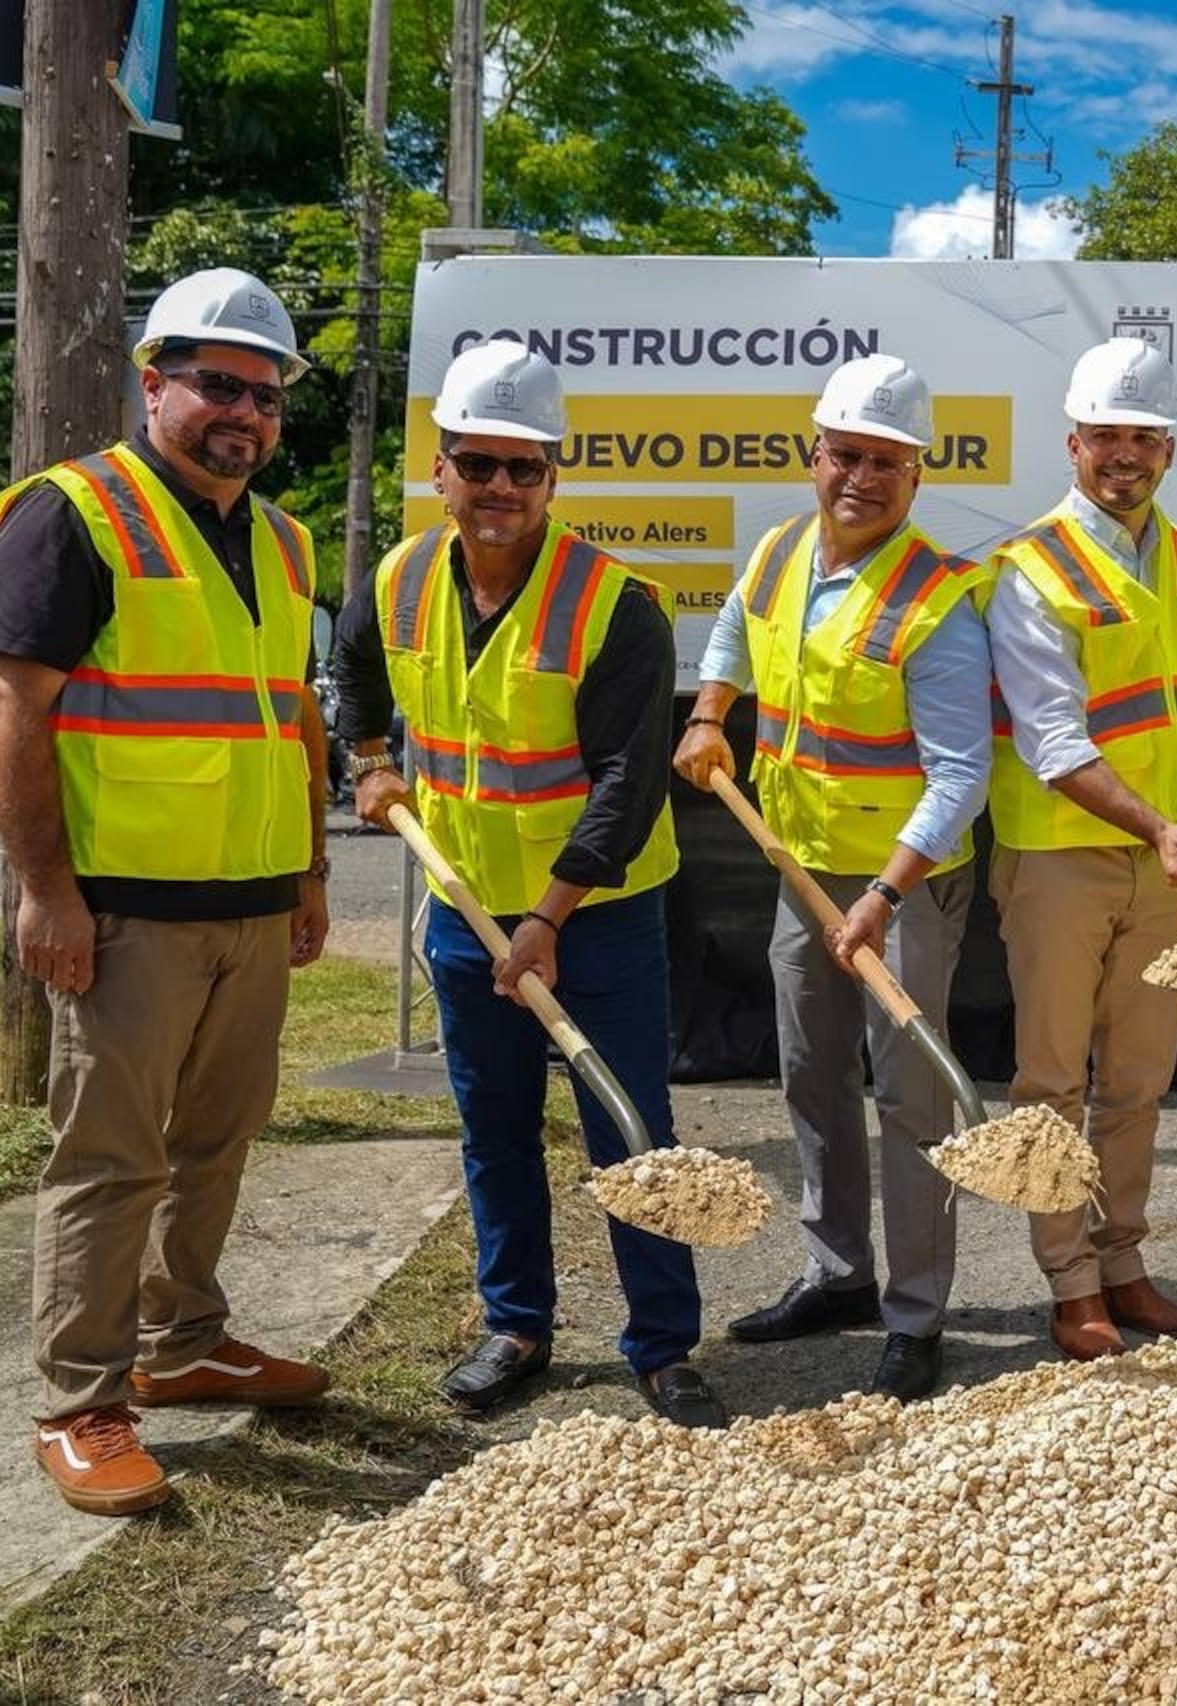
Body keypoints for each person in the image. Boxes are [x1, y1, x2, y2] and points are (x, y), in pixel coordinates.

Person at [0, 267, 333, 1515]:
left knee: (216, 1145)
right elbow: (14, 700)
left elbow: (289, 714)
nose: (243, 411)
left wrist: (309, 868)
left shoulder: (281, 539)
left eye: (265, 392)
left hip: (246, 902)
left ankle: (184, 1344)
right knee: (112, 1158)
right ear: (153, 380)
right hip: (123, 909)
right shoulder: (74, 513)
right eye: (217, 383)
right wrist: (45, 891)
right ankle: (83, 1398)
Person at [333, 340, 722, 1428]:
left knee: (628, 1122)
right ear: (442, 468)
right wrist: (369, 758)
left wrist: (547, 919)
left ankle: (662, 1343)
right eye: (478, 463)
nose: (500, 487)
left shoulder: (615, 605)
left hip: (595, 917)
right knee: (493, 1125)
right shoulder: (400, 578)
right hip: (463, 910)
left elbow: (627, 784)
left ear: (555, 476)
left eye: (525, 467)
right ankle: (516, 1324)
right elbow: (351, 672)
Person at [674, 357, 990, 1403]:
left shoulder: (937, 598)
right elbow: (732, 626)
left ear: (916, 475)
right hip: (794, 861)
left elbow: (960, 775)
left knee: (908, 1096)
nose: (862, 477)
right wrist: (712, 710)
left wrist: (886, 893)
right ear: (815, 454)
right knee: (811, 1069)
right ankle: (840, 1270)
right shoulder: (778, 551)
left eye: (886, 463)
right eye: (846, 454)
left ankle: (916, 1313)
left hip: (899, 883)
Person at [984, 338, 1177, 1360]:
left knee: (1136, 1077)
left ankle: (1121, 1260)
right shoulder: (1027, 568)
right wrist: (1157, 820)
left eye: (1141, 436)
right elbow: (1053, 742)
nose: (1123, 453)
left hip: (1157, 852)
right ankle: (1068, 1280)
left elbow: (1163, 689)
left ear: (1165, 445)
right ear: (1072, 443)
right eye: (1105, 437)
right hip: (1058, 859)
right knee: (1050, 1084)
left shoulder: (1173, 551)